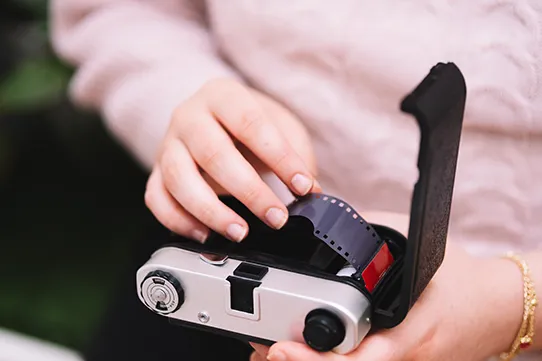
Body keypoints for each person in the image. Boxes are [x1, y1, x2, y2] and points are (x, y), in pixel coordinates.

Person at [49, 1, 542, 360]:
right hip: (221, 250)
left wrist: (512, 301)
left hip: (479, 312)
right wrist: (189, 98)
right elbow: (122, 11)